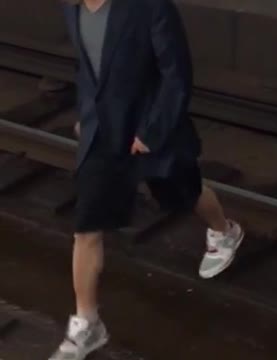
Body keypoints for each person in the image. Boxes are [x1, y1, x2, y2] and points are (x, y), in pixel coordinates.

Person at [51, 0, 244, 359]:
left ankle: (224, 230)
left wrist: (153, 132)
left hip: (148, 129)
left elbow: (176, 74)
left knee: (184, 193)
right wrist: (86, 114)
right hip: (102, 133)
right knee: (87, 226)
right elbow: (88, 68)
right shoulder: (71, 7)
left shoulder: (149, 7)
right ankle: (87, 324)